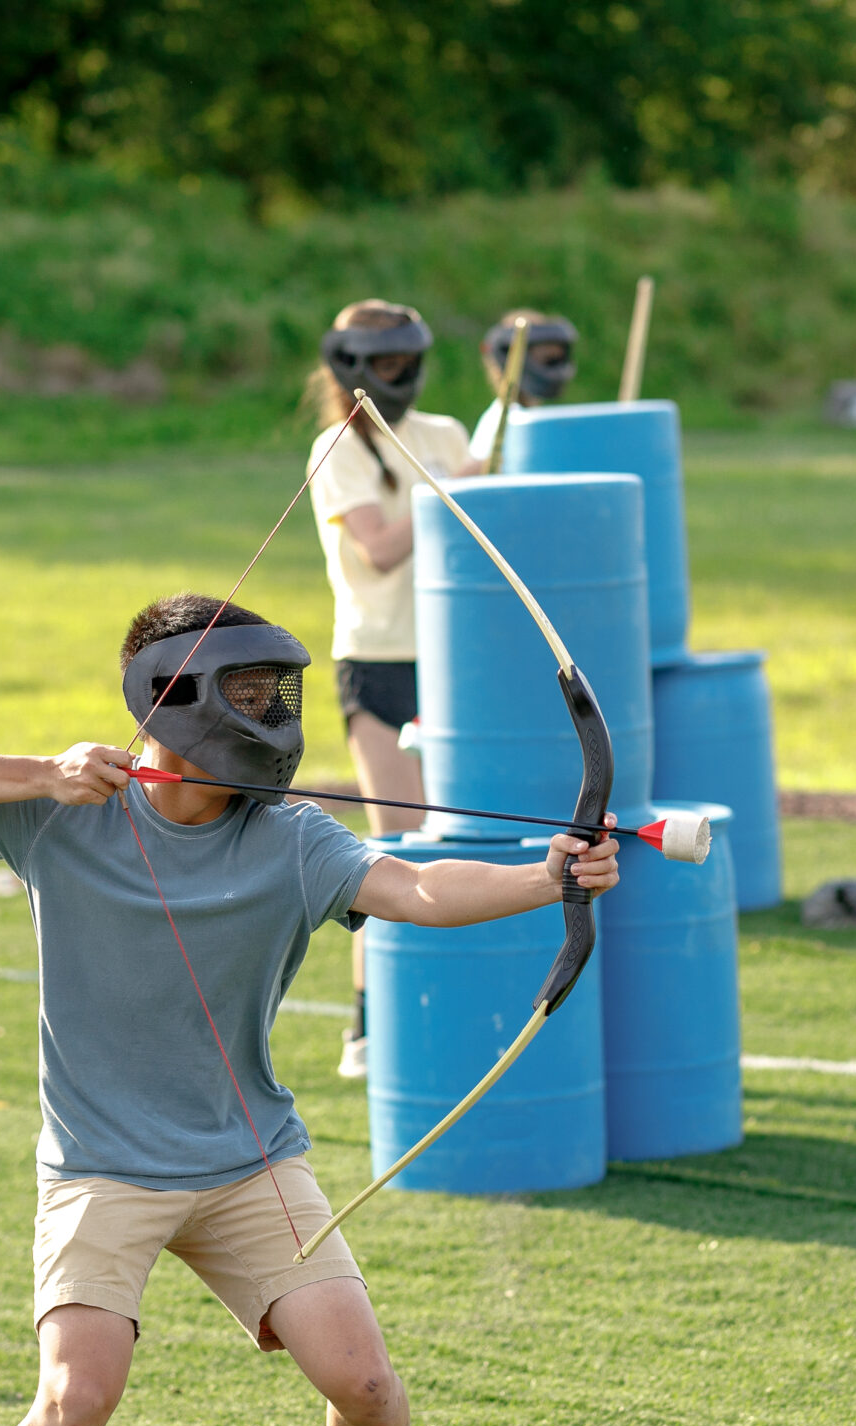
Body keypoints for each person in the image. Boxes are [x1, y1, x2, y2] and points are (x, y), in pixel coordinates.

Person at [0, 593, 620, 1426]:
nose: (269, 712)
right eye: (245, 691)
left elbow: (411, 886)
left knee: (363, 1380)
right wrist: (39, 770)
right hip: (101, 1170)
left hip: (250, 1162)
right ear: (168, 699)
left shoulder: (293, 836)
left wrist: (550, 875)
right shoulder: (62, 815)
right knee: (75, 1400)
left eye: (276, 690)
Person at [307, 299, 482, 1078]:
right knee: (398, 844)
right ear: (350, 366)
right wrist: (452, 490)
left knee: (468, 835)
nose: (400, 378)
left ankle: (454, 1004)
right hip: (377, 663)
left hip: (459, 657)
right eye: (385, 365)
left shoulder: (442, 436)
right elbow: (378, 550)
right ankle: (368, 1025)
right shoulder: (338, 447)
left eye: (409, 362)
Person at [468, 309, 580, 461]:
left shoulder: (528, 417)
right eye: (543, 352)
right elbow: (479, 471)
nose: (552, 357)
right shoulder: (503, 421)